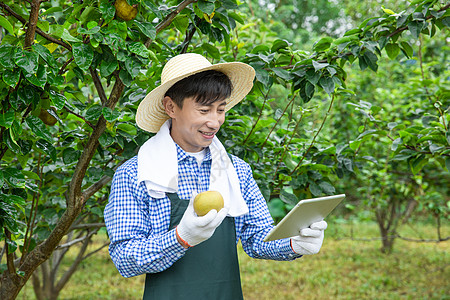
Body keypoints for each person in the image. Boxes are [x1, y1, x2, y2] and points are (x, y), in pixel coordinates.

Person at [104, 53, 328, 299]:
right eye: (204, 110)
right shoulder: (137, 174)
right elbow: (125, 258)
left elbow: (257, 238)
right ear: (171, 107)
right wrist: (180, 238)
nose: (215, 122)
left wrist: (295, 243)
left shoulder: (236, 170)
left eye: (220, 110)